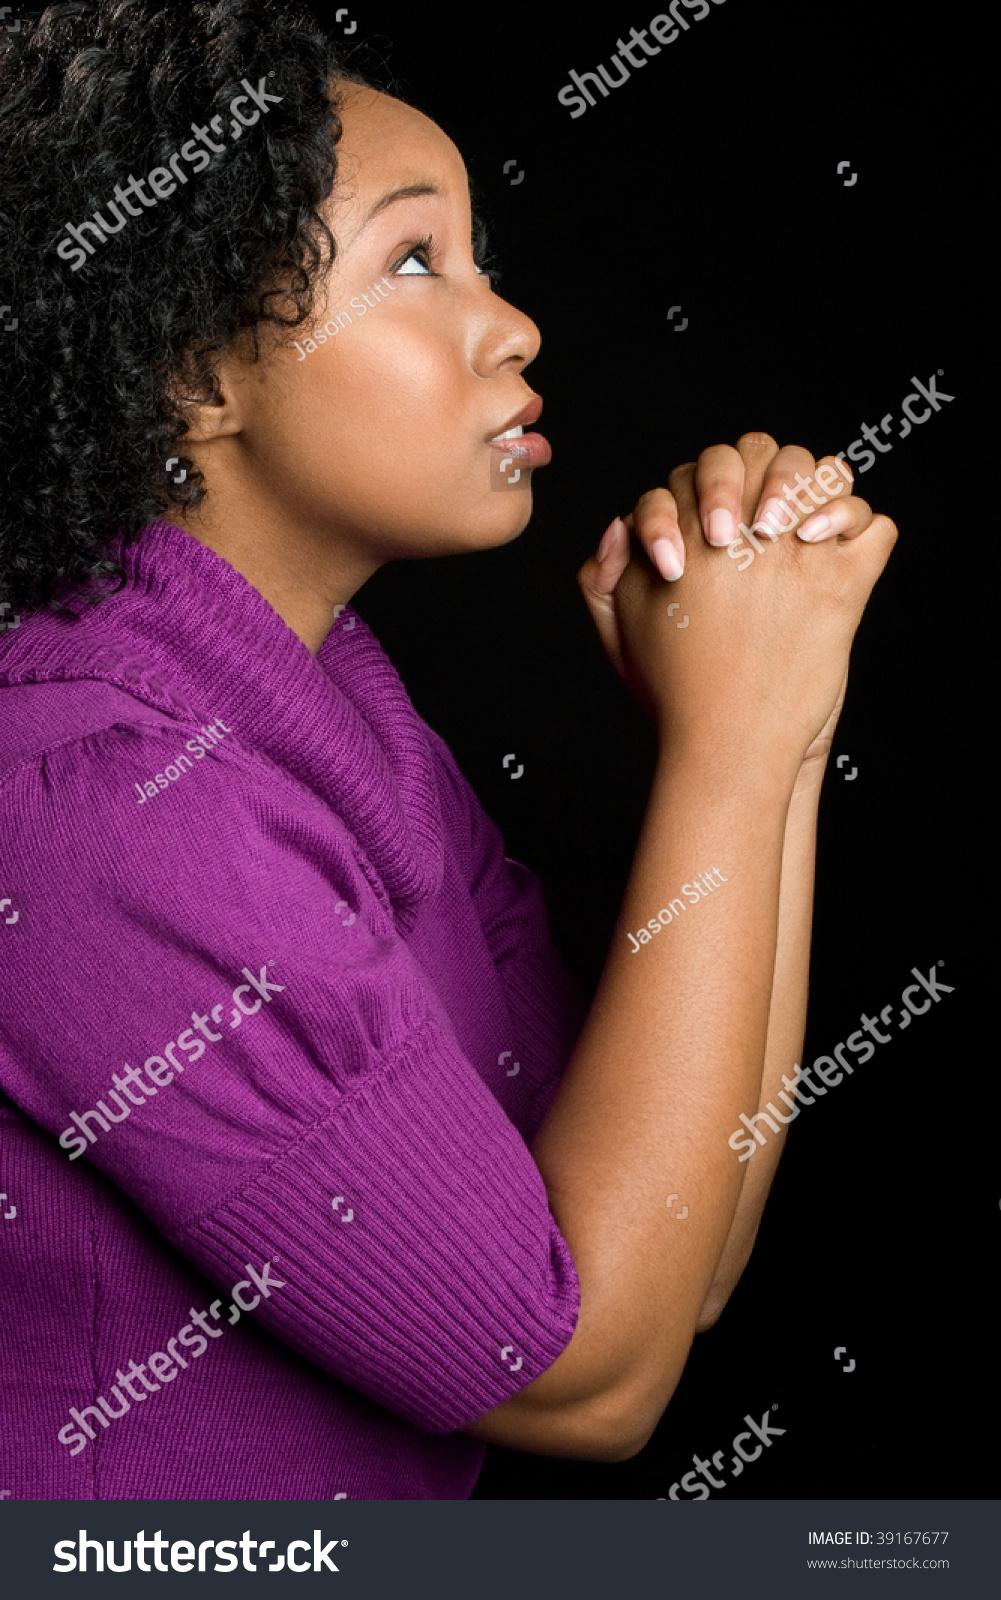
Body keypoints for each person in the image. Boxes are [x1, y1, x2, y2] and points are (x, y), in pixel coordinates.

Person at [0, 0, 897, 1500]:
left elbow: (672, 1261)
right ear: (188, 371)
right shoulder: (93, 791)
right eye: (415, 261)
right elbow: (582, 1377)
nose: (513, 323)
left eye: (480, 256)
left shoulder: (338, 716)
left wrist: (775, 719)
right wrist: (730, 747)